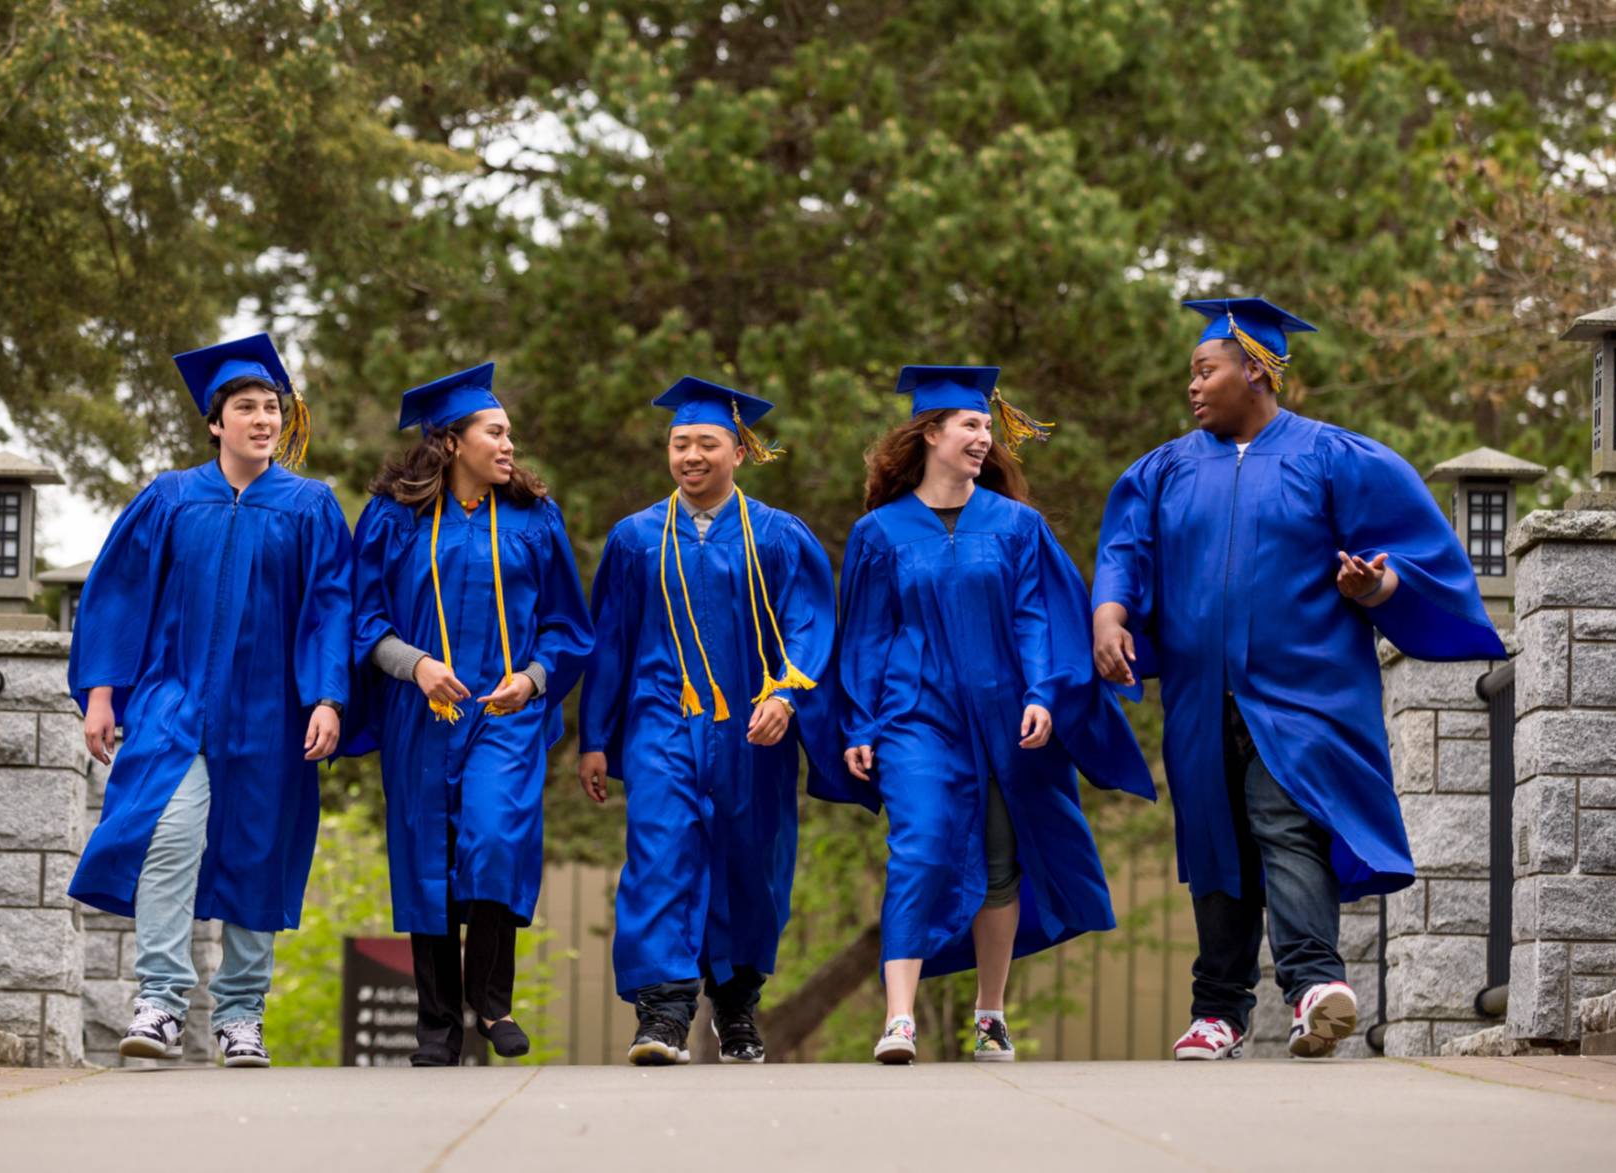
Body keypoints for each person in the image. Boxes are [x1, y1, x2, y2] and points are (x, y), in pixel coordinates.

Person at [1092, 297, 1506, 1060]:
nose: (1192, 386)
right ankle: (1218, 1010)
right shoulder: (1166, 470)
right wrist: (1110, 613)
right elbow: (1125, 547)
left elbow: (1408, 557)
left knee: (1285, 822)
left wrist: (1373, 588)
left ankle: (1314, 983)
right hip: (1197, 690)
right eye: (1191, 372)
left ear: (1256, 369)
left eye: (1205, 370)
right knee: (1214, 841)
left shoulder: (1334, 459)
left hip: (1305, 689)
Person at [824, 365, 1155, 1064]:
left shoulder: (1016, 525)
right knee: (920, 843)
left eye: (985, 426)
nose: (983, 437)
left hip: (1007, 710)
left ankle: (990, 1012)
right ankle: (900, 1018)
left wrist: (1044, 693)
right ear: (931, 434)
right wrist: (858, 724)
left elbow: (1039, 616)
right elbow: (865, 637)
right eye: (970, 425)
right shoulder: (880, 533)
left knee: (1001, 861)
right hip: (915, 713)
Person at [69, 333, 352, 1069]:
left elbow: (330, 607)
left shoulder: (311, 507)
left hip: (270, 708)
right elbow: (122, 593)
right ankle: (161, 999)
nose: (263, 419)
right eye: (247, 407)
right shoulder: (168, 497)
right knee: (170, 831)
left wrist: (326, 696)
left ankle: (239, 1014)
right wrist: (102, 689)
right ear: (215, 422)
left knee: (257, 851)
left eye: (272, 408)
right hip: (175, 697)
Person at [578, 377, 837, 1066]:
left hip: (754, 727)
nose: (690, 455)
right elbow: (610, 643)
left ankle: (736, 1004)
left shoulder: (780, 537)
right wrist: (595, 738)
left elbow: (809, 625)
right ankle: (661, 1012)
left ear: (738, 452)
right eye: (679, 442)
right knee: (661, 854)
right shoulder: (635, 539)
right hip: (662, 720)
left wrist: (786, 694)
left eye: (706, 443)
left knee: (749, 864)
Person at [349, 361, 594, 1066]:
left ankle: (490, 1001)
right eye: (495, 431)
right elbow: (362, 619)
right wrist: (417, 664)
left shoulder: (533, 517)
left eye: (509, 431)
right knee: (427, 856)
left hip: (504, 709)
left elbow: (566, 624)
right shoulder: (393, 518)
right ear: (452, 442)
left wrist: (535, 677)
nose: (509, 444)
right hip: (419, 710)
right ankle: (436, 1025)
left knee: (492, 836)